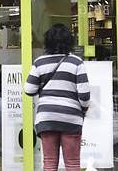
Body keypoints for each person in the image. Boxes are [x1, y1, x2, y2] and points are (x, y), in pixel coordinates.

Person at [24, 23, 90, 171]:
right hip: (71, 117)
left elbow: (28, 89)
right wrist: (83, 110)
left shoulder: (40, 62)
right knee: (72, 163)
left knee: (49, 162)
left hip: (47, 117)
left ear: (47, 41)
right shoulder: (76, 62)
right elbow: (84, 95)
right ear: (69, 41)